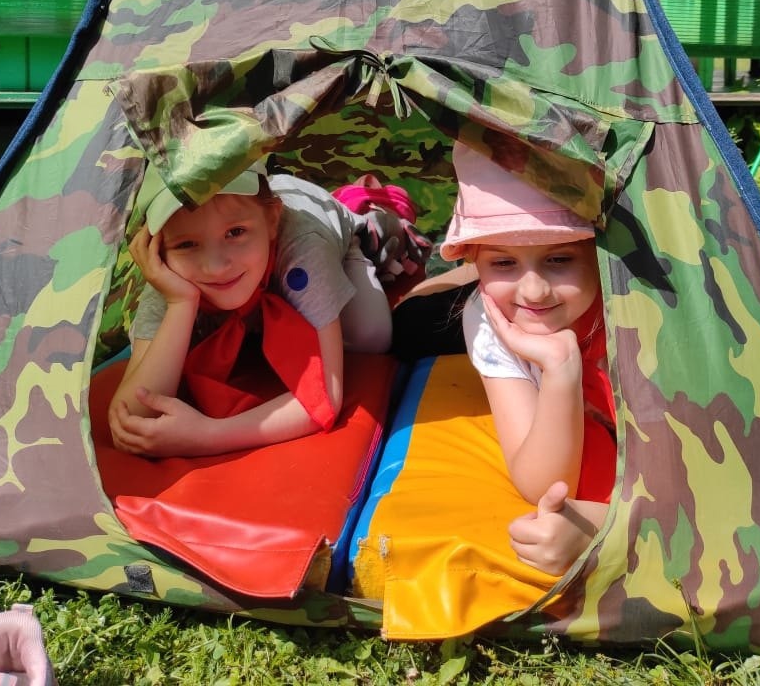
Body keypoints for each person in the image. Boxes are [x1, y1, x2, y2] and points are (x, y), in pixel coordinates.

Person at [108, 160, 396, 458]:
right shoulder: (168, 275)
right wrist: (180, 303)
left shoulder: (303, 247)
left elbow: (327, 397)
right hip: (262, 224)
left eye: (235, 232)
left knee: (371, 334)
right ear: (155, 249)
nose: (216, 266)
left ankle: (365, 215)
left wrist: (208, 435)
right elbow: (133, 416)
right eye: (187, 244)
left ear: (272, 220)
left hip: (320, 224)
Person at [439, 142, 616, 576]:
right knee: (406, 323)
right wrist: (560, 367)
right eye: (503, 262)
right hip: (445, 311)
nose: (534, 291)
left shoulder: (639, 309)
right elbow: (543, 483)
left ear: (599, 252)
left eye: (559, 259)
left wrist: (604, 526)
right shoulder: (488, 316)